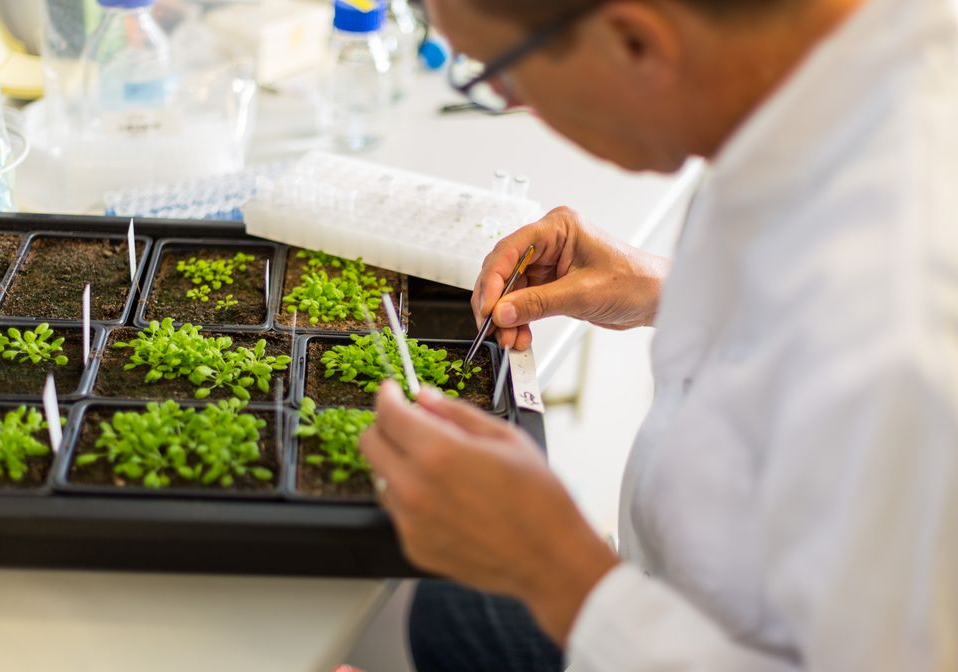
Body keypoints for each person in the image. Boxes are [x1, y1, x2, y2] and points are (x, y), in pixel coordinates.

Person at [358, 0, 958, 669]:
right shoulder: (821, 93)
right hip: (673, 593)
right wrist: (668, 294)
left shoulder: (908, 335)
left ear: (633, 40)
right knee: (454, 613)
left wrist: (558, 572)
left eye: (500, 78)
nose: (513, 104)